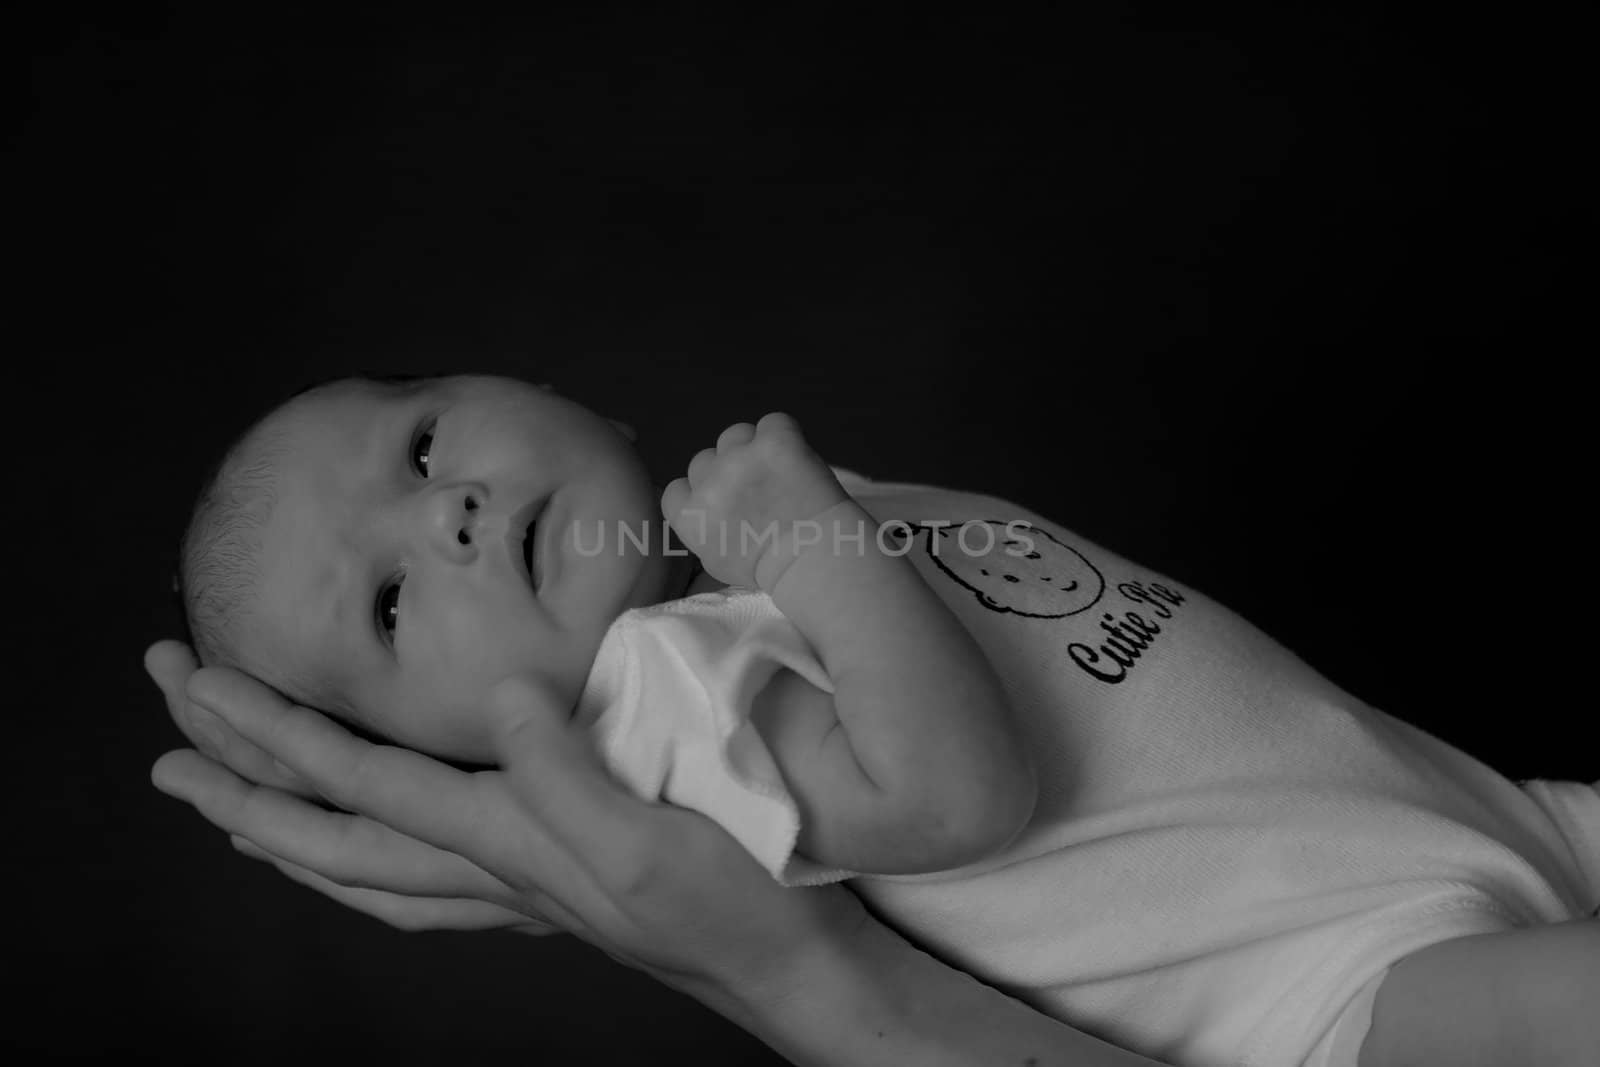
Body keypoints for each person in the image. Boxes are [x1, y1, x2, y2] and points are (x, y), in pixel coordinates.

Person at [157, 372, 1600, 1066]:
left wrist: (791, 539)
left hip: (1446, 822)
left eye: (421, 443)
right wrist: (814, 549)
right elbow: (953, 799)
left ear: (564, 394)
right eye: (394, 601)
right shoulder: (662, 710)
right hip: (1349, 995)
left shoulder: (735, 537)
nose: (449, 512)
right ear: (451, 751)